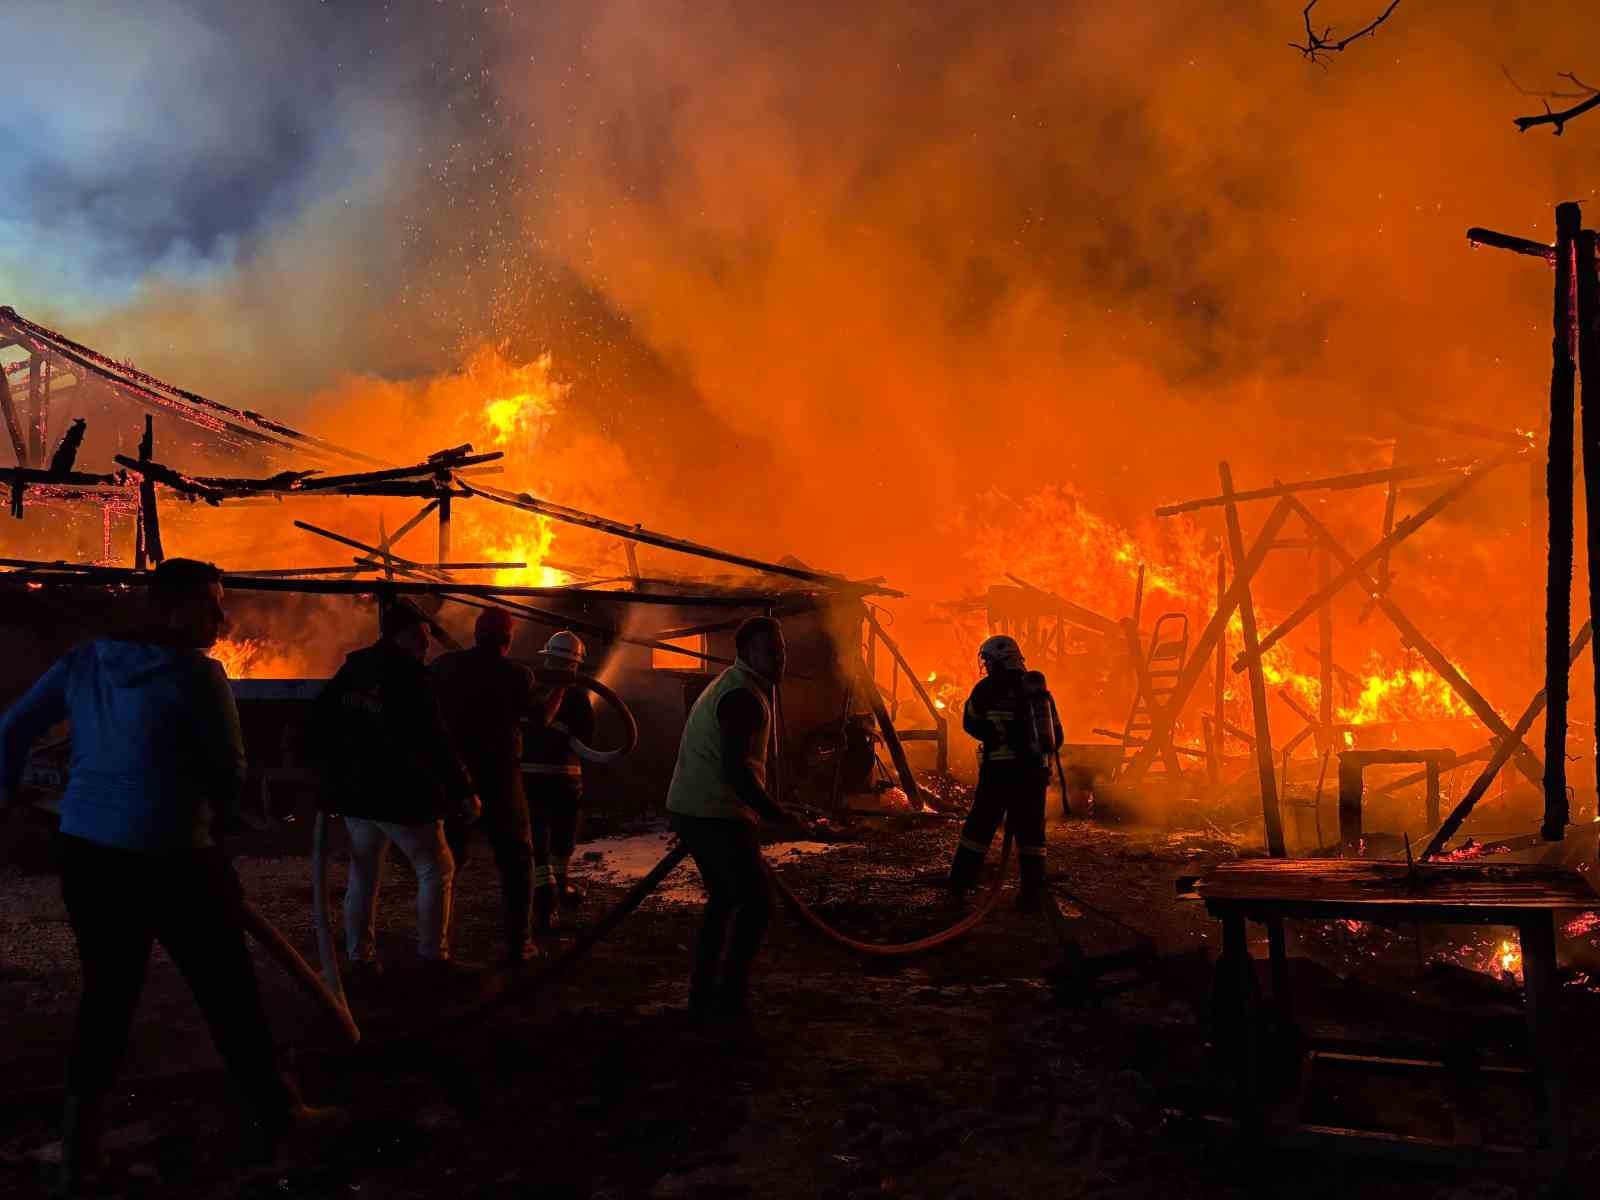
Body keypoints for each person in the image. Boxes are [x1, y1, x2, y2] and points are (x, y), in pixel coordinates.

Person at [0, 558, 339, 1192]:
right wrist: (225, 819)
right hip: (174, 856)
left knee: (107, 997)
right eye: (213, 605)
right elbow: (229, 771)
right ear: (175, 610)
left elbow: (10, 730)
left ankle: (80, 1146)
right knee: (228, 990)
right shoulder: (196, 675)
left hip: (88, 854)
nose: (223, 618)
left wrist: (12, 798)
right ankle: (282, 1114)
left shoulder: (86, 660)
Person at [310, 599, 480, 971]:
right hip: (403, 795)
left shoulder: (354, 668)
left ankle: (359, 956)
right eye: (421, 637)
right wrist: (463, 789)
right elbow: (435, 739)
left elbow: (321, 718)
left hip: (358, 794)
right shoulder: (411, 676)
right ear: (401, 635)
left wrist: (332, 775)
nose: (427, 645)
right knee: (437, 868)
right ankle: (434, 956)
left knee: (363, 873)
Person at [665, 616, 798, 1027]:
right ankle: (728, 1000)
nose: (778, 658)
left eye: (780, 650)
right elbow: (736, 772)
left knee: (726, 899)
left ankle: (706, 998)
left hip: (701, 807)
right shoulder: (741, 696)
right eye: (769, 651)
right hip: (712, 811)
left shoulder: (737, 685)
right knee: (756, 901)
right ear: (745, 654)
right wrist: (778, 815)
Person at [431, 608, 554, 966]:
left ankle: (438, 945)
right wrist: (562, 686)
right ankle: (520, 944)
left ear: (475, 633)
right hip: (501, 777)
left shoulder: (445, 667)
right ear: (508, 639)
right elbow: (540, 717)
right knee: (517, 858)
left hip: (454, 776)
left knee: (446, 860)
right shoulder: (517, 675)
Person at [947, 634, 1063, 911]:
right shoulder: (1039, 691)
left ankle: (959, 887)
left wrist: (994, 734)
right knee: (1031, 835)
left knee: (978, 830)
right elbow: (1056, 737)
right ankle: (1033, 895)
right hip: (1033, 776)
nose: (986, 665)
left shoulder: (986, 689)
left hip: (998, 774)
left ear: (999, 660)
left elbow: (970, 723)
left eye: (988, 660)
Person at [520, 630, 596, 934]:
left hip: (529, 778)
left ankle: (548, 896)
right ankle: (554, 895)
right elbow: (586, 738)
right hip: (565, 781)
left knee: (538, 840)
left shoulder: (529, 687)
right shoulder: (578, 696)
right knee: (561, 839)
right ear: (575, 664)